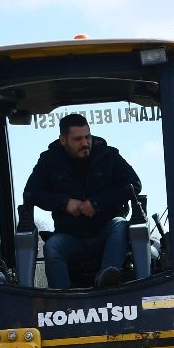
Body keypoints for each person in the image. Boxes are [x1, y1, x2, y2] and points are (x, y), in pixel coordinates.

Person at [23, 113, 141, 289]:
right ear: (63, 140)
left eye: (88, 137)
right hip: (71, 237)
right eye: (78, 139)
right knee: (52, 247)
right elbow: (31, 193)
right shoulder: (49, 161)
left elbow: (134, 184)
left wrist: (98, 203)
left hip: (106, 232)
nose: (85, 143)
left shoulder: (108, 155)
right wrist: (65, 203)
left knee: (120, 225)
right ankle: (61, 300)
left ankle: (107, 278)